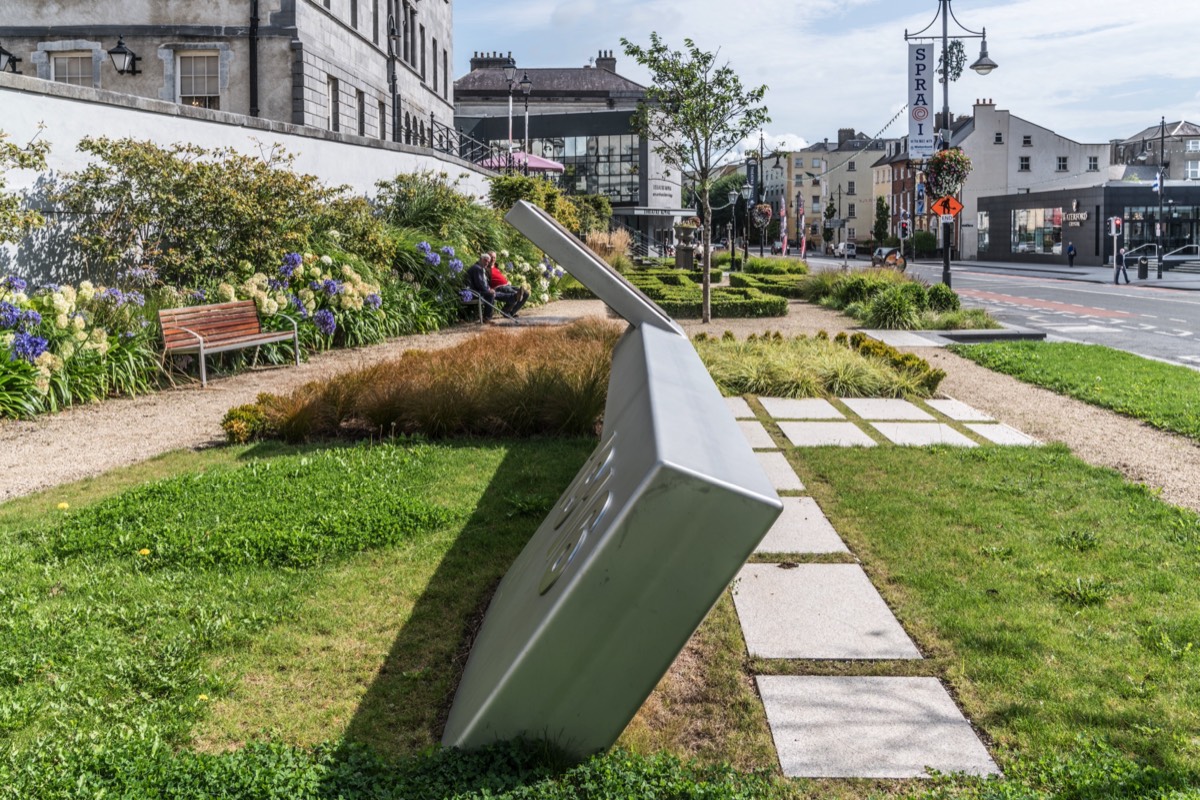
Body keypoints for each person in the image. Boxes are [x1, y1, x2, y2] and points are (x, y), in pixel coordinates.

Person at [487, 252, 529, 318]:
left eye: (494, 257)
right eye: (491, 257)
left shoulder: (496, 266)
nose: (493, 259)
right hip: (499, 287)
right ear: (487, 258)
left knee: (526, 293)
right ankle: (505, 311)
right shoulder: (486, 268)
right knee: (516, 294)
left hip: (507, 285)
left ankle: (511, 313)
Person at [465, 252, 498, 322]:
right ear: (481, 259)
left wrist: (489, 289)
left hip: (476, 290)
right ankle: (487, 318)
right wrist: (488, 291)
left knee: (494, 293)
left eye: (488, 262)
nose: (487, 263)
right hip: (471, 292)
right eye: (485, 260)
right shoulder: (477, 268)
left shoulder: (479, 268)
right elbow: (479, 284)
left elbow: (483, 284)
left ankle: (513, 296)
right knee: (490, 295)